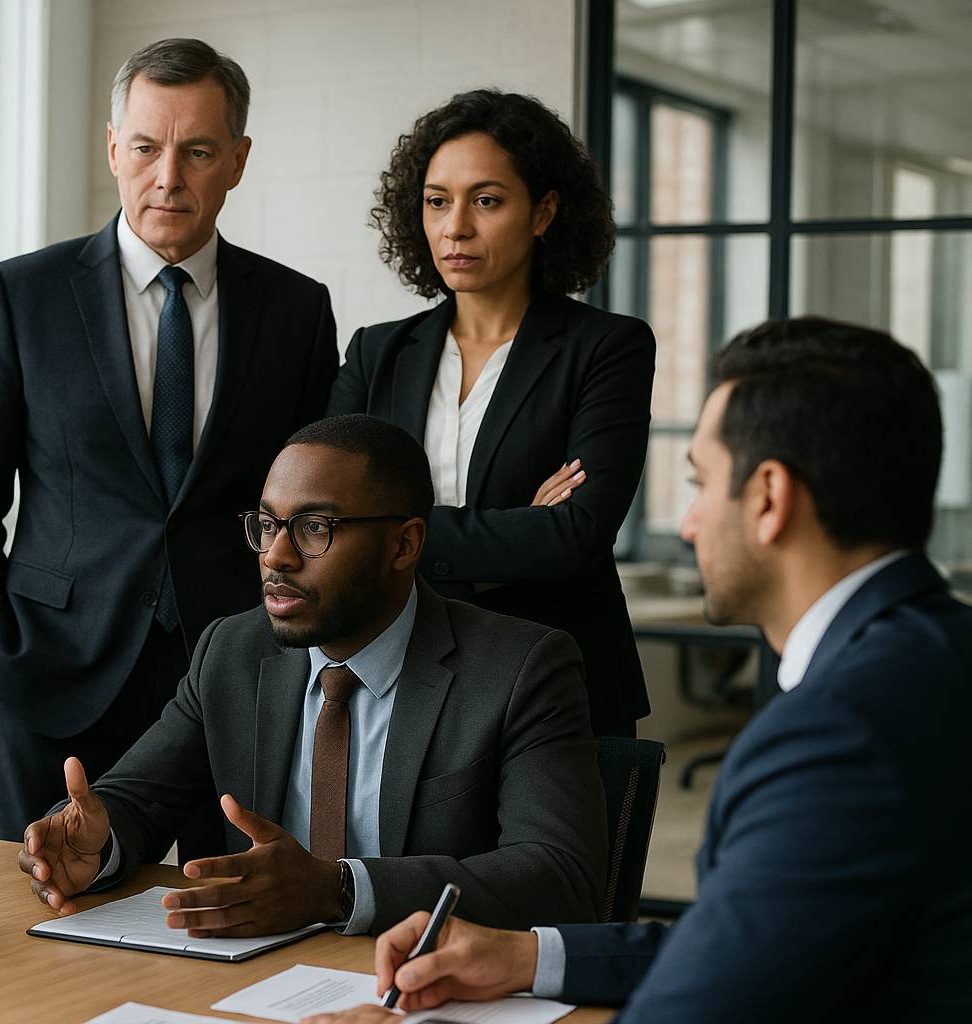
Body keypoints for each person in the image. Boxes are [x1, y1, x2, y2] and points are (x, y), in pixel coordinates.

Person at [306, 319, 972, 1023]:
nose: (687, 524)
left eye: (701, 483)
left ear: (770, 498)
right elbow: (749, 942)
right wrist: (529, 956)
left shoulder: (836, 734)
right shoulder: (941, 654)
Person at [0, 38, 338, 848]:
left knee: (225, 923)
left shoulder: (295, 310)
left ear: (238, 160)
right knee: (44, 920)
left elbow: (316, 504)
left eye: (198, 152)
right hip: (52, 675)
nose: (168, 177)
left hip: (237, 678)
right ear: (113, 147)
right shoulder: (24, 295)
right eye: (147, 147)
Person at [17, 415, 606, 938]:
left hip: (427, 987)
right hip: (251, 983)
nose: (276, 556)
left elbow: (560, 875)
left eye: (314, 527)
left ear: (404, 544)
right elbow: (137, 799)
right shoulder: (231, 651)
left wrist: (337, 889)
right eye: (268, 525)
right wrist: (93, 846)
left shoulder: (522, 666)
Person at [328, 89, 654, 737]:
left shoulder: (607, 348)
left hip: (560, 676)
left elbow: (575, 537)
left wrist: (394, 533)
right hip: (401, 676)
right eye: (437, 201)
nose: (456, 227)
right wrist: (517, 527)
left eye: (487, 200)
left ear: (544, 211)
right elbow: (326, 521)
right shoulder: (378, 351)